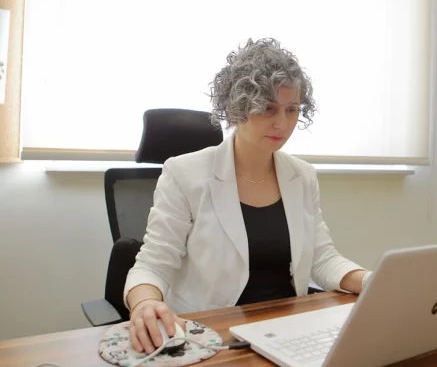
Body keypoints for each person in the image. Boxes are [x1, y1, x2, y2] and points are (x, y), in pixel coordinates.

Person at [123, 38, 372, 354]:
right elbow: (153, 264)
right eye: (267, 108)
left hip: (287, 331)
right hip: (213, 335)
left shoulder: (302, 176)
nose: (282, 123)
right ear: (238, 107)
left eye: (291, 109)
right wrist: (144, 303)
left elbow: (322, 259)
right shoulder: (185, 174)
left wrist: (372, 281)